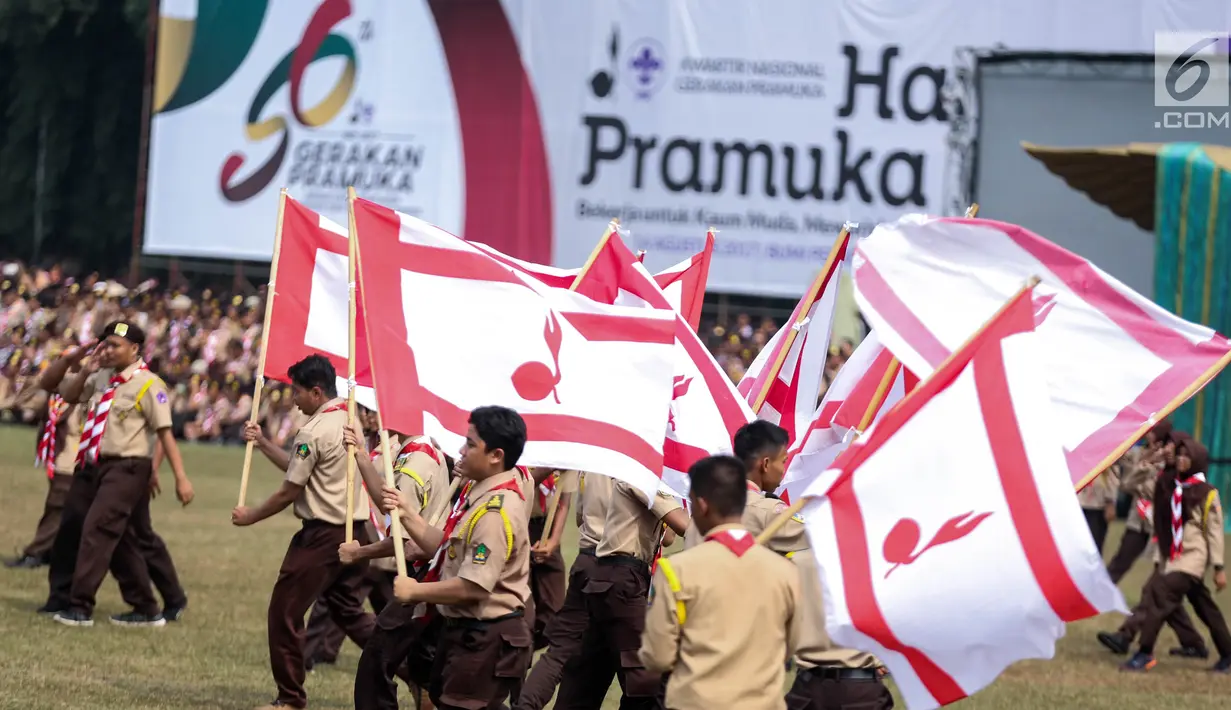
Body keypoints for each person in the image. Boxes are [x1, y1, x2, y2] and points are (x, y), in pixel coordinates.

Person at [233, 354, 376, 710]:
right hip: (356, 530)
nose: (293, 400)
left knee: (284, 613)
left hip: (322, 536)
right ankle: (414, 671)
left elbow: (289, 490)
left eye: (296, 392)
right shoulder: (350, 419)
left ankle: (290, 699)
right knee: (349, 614)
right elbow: (302, 467)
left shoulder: (313, 430)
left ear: (316, 391)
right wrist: (264, 443)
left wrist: (251, 516)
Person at [41, 322, 194, 627]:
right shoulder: (99, 376)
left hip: (128, 468)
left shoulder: (150, 385)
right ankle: (146, 606)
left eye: (115, 346)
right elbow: (67, 394)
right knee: (85, 527)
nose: (108, 350)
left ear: (134, 349)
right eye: (106, 344)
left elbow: (164, 433)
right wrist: (85, 366)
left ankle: (80, 606)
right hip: (92, 464)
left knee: (99, 530)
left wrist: (179, 476)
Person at [386, 406, 534, 710]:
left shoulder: (496, 511)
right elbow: (448, 549)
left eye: (470, 444)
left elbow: (473, 586)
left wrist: (415, 591)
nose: (461, 450)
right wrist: (408, 514)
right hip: (465, 631)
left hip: (486, 635)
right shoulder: (481, 492)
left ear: (496, 455)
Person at [640, 455, 800, 709]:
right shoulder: (785, 573)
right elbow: (789, 648)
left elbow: (657, 656)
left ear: (702, 506)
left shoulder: (676, 571)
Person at [553, 470, 690, 709]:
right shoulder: (640, 476)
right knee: (647, 679)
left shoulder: (620, 471)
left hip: (605, 577)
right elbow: (683, 527)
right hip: (624, 579)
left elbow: (666, 537)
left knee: (587, 674)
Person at [345, 428, 453, 710]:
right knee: (428, 666)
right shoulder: (419, 450)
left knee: (376, 660)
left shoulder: (415, 461)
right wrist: (360, 453)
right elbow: (388, 504)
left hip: (424, 573)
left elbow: (402, 540)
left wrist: (359, 552)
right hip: (432, 569)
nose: (376, 413)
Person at [1118, 436, 1230, 673]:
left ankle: (1144, 652)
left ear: (1197, 459)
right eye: (1179, 454)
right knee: (1205, 608)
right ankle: (1228, 654)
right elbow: (1129, 484)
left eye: (1186, 455)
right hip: (1170, 557)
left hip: (1192, 558)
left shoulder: (1207, 493)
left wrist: (1219, 567)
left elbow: (1214, 532)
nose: (1181, 459)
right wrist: (1152, 461)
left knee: (1159, 594)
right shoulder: (1168, 484)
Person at [515, 471, 613, 710]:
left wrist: (555, 538)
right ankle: (517, 673)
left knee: (557, 635)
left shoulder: (583, 457)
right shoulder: (642, 467)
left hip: (573, 549)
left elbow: (573, 510)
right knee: (521, 621)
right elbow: (671, 536)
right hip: (621, 568)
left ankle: (524, 699)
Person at [682, 420, 803, 550]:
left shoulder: (702, 514)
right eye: (783, 461)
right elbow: (820, 540)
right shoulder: (770, 512)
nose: (783, 470)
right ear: (766, 464)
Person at [6, 391, 84, 569]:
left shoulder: (88, 393)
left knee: (56, 509)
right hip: (58, 460)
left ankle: (35, 553)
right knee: (61, 510)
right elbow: (29, 402)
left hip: (71, 462)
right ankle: (52, 551)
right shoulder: (59, 390)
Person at [1106, 422, 1171, 583]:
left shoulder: (1169, 461)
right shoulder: (1138, 454)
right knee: (1122, 559)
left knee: (1164, 568)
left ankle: (1165, 603)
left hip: (1160, 520)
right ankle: (1099, 594)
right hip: (1138, 518)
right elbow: (1126, 484)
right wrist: (1146, 461)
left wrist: (1141, 483)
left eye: (1152, 431)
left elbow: (1159, 489)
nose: (1148, 433)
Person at [527, 468, 572, 649]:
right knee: (522, 609)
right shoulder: (525, 447)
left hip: (548, 527)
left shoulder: (566, 452)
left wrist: (554, 541)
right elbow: (524, 486)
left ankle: (524, 648)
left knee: (554, 612)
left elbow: (565, 502)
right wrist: (548, 466)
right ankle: (518, 659)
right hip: (520, 523)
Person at [1077, 464, 1118, 554]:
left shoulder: (1104, 453)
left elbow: (1112, 473)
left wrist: (1110, 500)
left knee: (1094, 545)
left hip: (1098, 505)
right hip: (1078, 503)